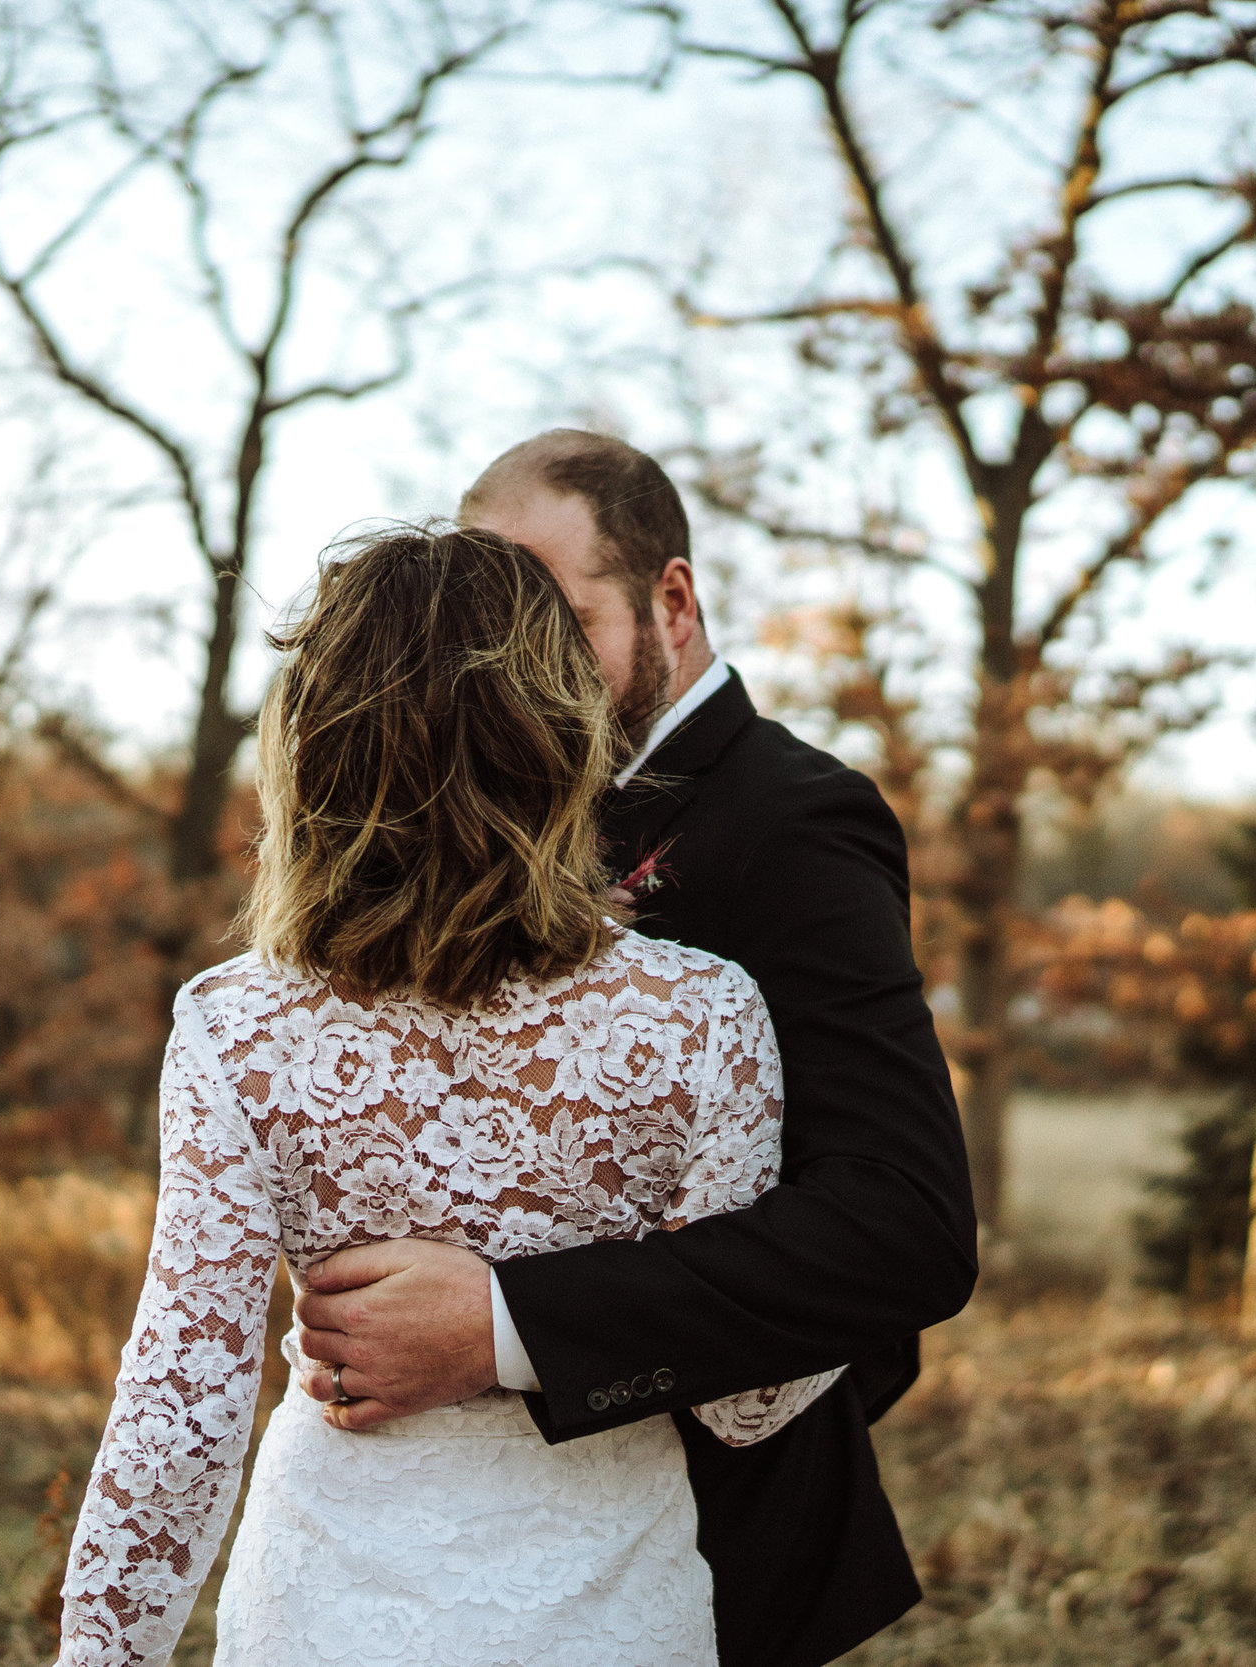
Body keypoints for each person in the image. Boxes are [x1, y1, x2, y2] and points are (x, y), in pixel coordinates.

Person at [55, 524, 837, 1667]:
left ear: (310, 750)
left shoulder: (240, 1025)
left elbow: (183, 1406)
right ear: (560, 734)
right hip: (608, 1614)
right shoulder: (703, 1013)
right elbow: (747, 1402)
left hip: (324, 1609)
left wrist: (97, 1659)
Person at [293, 432, 979, 1666]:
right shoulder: (470, 816)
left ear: (673, 598)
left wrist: (500, 1322)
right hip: (416, 1547)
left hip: (706, 1546)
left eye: (559, 621)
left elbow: (900, 1224)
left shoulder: (789, 818)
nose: (513, 675)